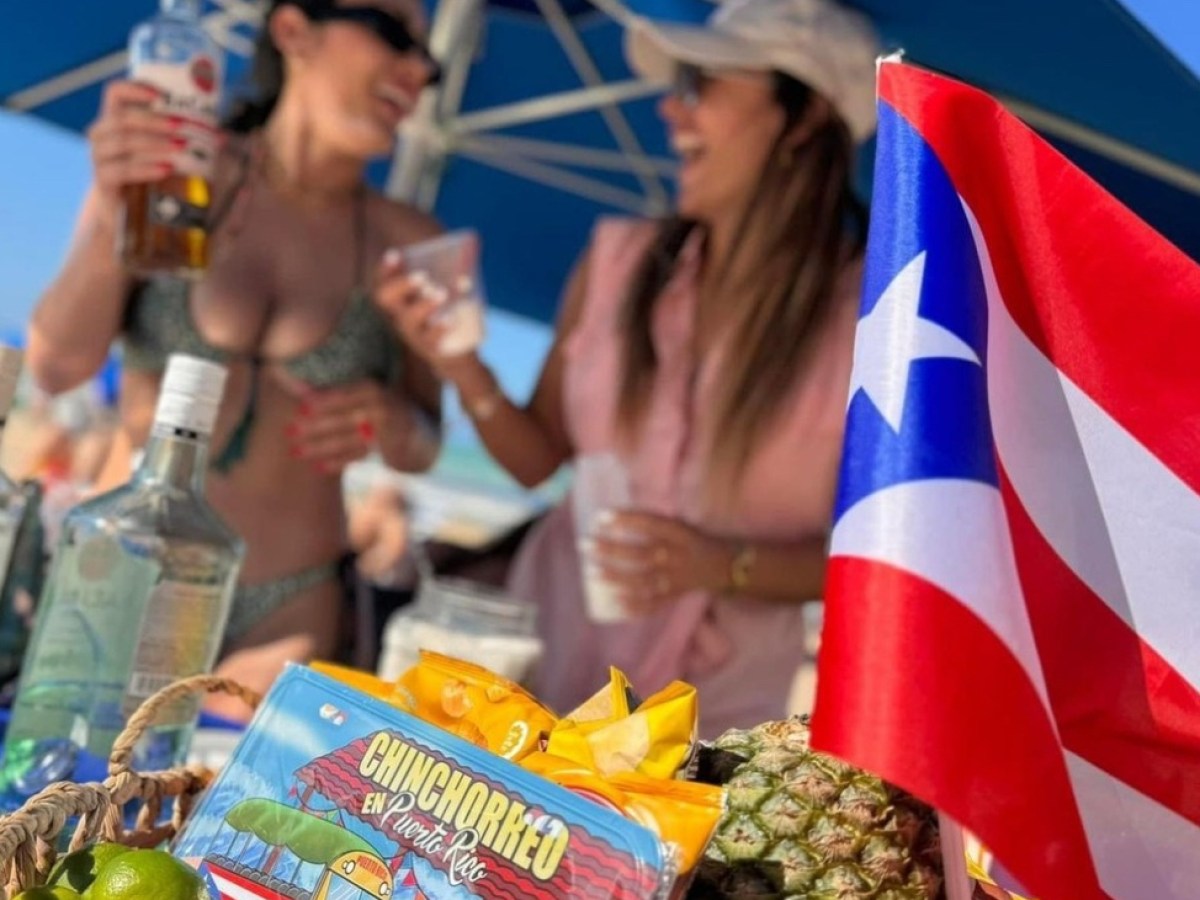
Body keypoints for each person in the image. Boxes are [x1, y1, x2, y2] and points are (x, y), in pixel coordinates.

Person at [385, 0, 880, 736]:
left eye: (701, 85)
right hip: (536, 678)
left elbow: (876, 556)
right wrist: (460, 365)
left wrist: (724, 565)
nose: (670, 109)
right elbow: (536, 460)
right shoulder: (617, 261)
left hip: (710, 725)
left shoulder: (875, 318)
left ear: (803, 117)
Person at [25, 0, 445, 714]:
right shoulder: (178, 169)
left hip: (289, 606)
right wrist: (110, 205)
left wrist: (392, 422)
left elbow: (425, 442)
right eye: (394, 31)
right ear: (292, 30)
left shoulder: (406, 242)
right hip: (125, 573)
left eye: (429, 56)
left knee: (215, 809)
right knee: (70, 794)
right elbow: (58, 366)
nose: (419, 66)